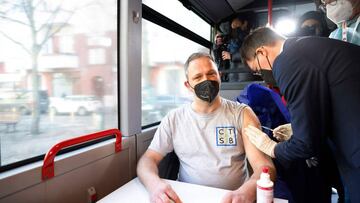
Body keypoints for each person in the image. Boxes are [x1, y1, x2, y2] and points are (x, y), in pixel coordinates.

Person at [240, 27, 360, 202]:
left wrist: (272, 148)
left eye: (258, 70)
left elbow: (306, 144)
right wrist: (296, 127)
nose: (263, 77)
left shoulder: (287, 60)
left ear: (261, 52)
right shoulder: (307, 48)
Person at [137, 52, 275, 203]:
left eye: (211, 74)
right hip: (187, 197)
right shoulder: (174, 119)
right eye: (198, 77)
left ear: (219, 76)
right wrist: (155, 185)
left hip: (233, 198)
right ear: (188, 85)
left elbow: (264, 166)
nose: (206, 80)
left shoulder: (242, 114)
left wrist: (247, 191)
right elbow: (147, 160)